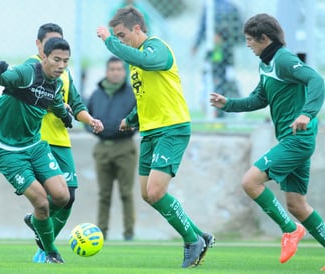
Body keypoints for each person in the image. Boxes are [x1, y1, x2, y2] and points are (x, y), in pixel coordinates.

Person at [96, 6, 215, 268]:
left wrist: (109, 41)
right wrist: (131, 118)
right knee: (147, 194)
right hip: (150, 131)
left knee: (156, 190)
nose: (120, 40)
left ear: (137, 29)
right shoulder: (137, 60)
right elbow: (146, 96)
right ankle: (200, 235)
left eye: (123, 35)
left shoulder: (157, 48)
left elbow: (151, 62)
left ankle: (191, 241)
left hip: (172, 128)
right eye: (117, 36)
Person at [210, 13, 325, 264]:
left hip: (298, 140)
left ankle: (291, 230)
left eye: (250, 39)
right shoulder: (266, 63)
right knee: (296, 205)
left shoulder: (283, 59)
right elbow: (258, 99)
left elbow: (317, 80)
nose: (247, 44)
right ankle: (295, 225)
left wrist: (307, 113)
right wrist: (227, 103)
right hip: (290, 139)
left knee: (250, 182)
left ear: (265, 38)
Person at [0, 37, 74, 264]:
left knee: (63, 196)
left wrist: (65, 115)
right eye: (57, 59)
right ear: (43, 57)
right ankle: (51, 251)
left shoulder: (56, 84)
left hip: (34, 146)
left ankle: (36, 221)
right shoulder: (27, 73)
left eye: (66, 61)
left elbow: (54, 102)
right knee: (42, 203)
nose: (61, 65)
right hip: (6, 150)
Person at [23, 23, 104, 263]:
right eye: (50, 44)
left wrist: (90, 120)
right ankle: (48, 250)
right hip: (37, 140)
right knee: (50, 197)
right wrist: (54, 104)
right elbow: (28, 97)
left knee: (69, 197)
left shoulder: (64, 70)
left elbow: (75, 104)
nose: (58, 56)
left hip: (61, 141)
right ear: (40, 46)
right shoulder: (30, 68)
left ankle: (39, 235)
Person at [86, 56, 137, 241]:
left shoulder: (132, 94)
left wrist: (117, 128)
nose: (116, 73)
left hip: (125, 147)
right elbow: (87, 118)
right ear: (107, 71)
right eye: (112, 69)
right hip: (102, 148)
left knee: (126, 193)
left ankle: (129, 233)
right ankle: (101, 233)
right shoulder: (96, 94)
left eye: (119, 69)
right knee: (104, 194)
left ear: (124, 72)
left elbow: (138, 119)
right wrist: (101, 129)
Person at [192, 0, 243, 118]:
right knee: (212, 80)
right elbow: (203, 27)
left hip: (224, 54)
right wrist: (197, 44)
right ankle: (216, 112)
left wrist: (223, 38)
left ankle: (221, 112)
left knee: (223, 81)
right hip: (216, 53)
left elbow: (239, 33)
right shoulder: (211, 6)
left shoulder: (230, 8)